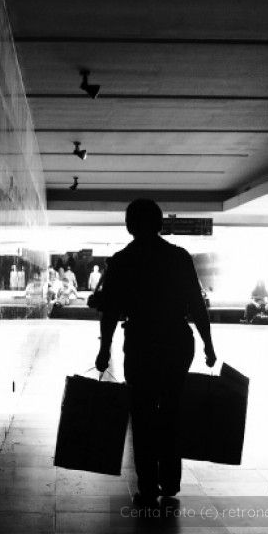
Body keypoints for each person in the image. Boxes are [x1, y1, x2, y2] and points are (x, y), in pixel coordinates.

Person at [94, 199, 216, 506]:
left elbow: (109, 311)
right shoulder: (178, 257)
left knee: (143, 414)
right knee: (173, 410)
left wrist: (104, 349)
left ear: (129, 225)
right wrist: (208, 345)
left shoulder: (122, 260)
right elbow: (196, 305)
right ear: (160, 223)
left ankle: (147, 485)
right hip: (176, 341)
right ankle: (170, 481)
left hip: (141, 342)